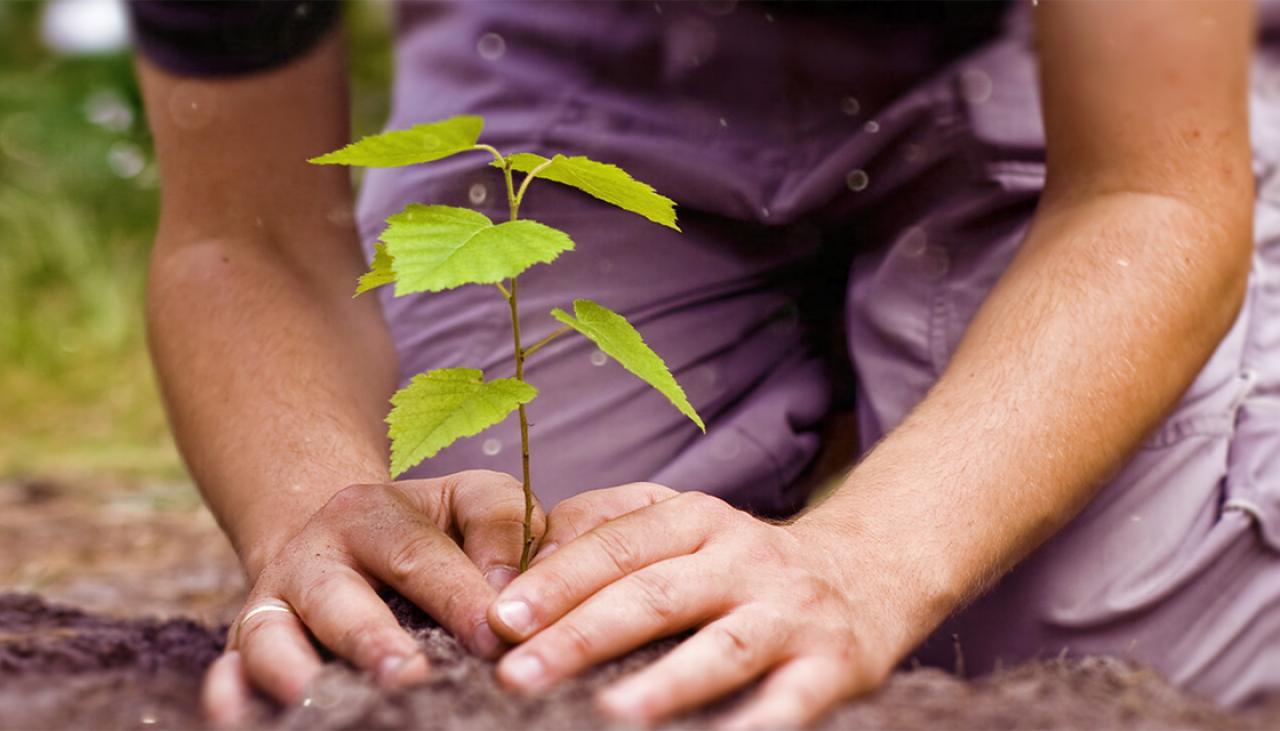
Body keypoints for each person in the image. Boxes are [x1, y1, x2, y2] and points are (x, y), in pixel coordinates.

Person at [130, 0, 1280, 727]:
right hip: (575, 41)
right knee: (489, 596)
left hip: (1057, 47)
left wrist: (870, 556)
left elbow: (1146, 189)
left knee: (1106, 639)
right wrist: (310, 513)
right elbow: (248, 232)